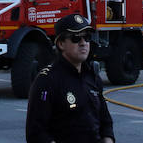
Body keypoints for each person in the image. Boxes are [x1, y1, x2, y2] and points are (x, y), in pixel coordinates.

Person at [26, 13, 114, 143]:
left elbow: (105, 121)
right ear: (61, 43)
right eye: (76, 38)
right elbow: (36, 132)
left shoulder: (92, 77)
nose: (83, 43)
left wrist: (108, 139)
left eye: (87, 37)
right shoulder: (47, 80)